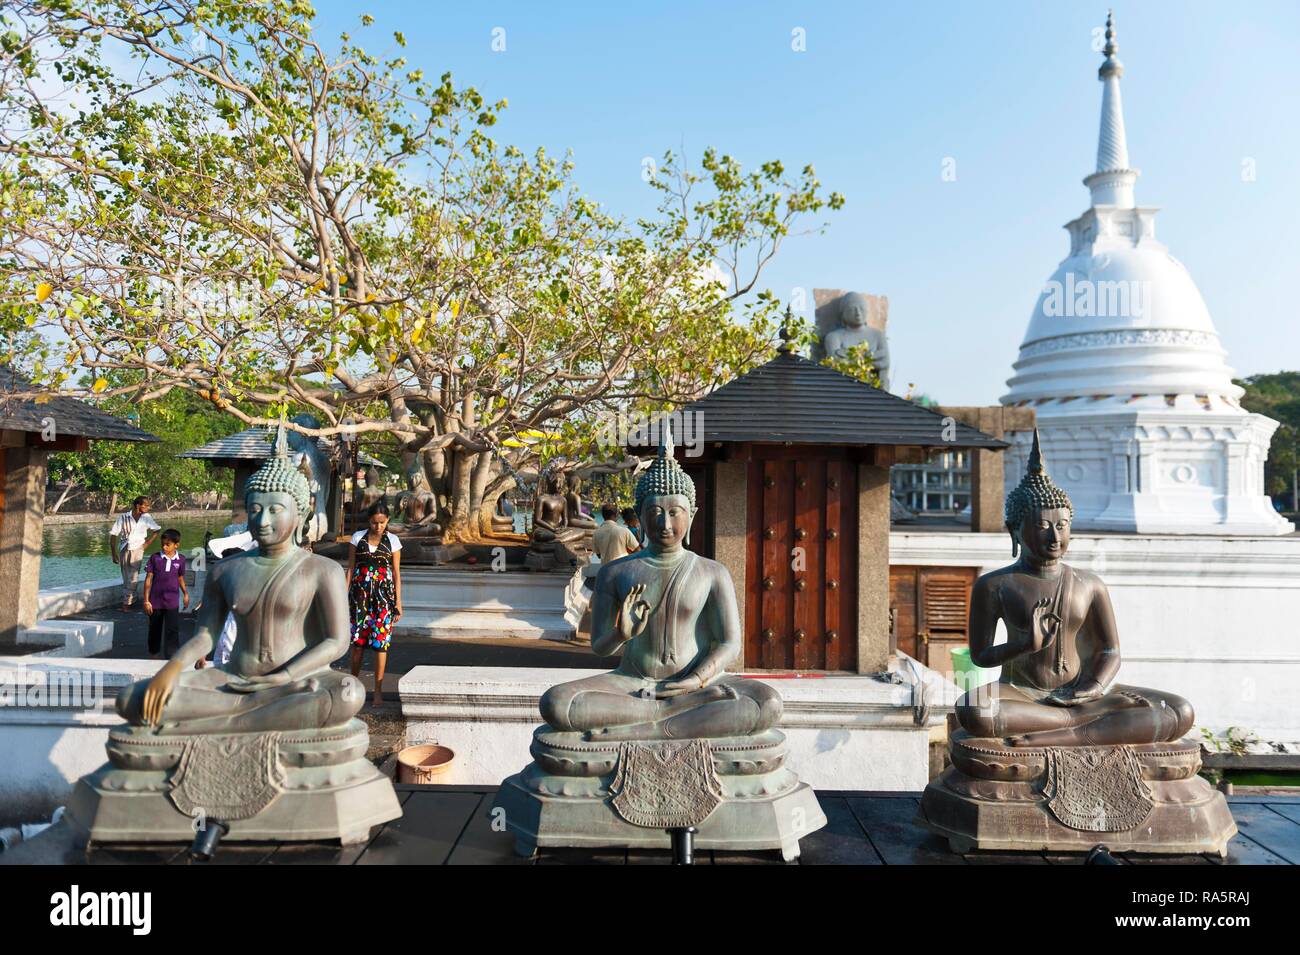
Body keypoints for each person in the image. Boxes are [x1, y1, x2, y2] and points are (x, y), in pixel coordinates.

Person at [346, 502, 403, 705]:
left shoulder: (393, 541)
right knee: (358, 645)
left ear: (387, 520)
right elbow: (351, 569)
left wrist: (398, 602)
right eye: (374, 522)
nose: (378, 526)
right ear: (368, 520)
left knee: (381, 645)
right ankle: (352, 688)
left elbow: (396, 573)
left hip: (383, 600)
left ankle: (377, 691)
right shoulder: (357, 538)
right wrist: (344, 598)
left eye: (382, 522)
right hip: (359, 598)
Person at [142, 529, 190, 659]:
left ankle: (171, 658)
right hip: (155, 602)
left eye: (167, 545)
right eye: (162, 544)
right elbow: (148, 580)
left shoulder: (181, 559)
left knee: (172, 631)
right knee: (154, 630)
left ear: (176, 545)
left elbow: (180, 578)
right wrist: (146, 600)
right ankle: (154, 656)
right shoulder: (155, 558)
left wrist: (185, 594)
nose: (164, 547)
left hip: (172, 602)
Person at [110, 496, 160, 611]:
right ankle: (133, 598)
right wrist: (113, 553)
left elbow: (156, 530)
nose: (148, 507)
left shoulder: (146, 518)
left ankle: (126, 604)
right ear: (138, 506)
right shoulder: (123, 517)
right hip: (124, 548)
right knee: (126, 575)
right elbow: (113, 534)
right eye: (146, 505)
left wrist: (146, 544)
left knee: (133, 576)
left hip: (137, 549)